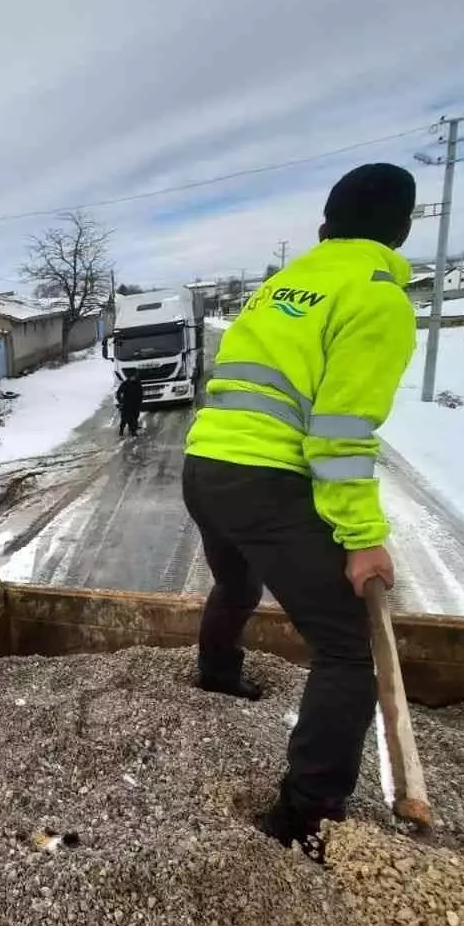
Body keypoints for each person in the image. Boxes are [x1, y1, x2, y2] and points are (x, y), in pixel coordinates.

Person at [182, 163, 419, 858]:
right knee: (348, 648)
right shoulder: (377, 298)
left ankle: (219, 677)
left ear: (325, 226)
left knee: (235, 583)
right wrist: (363, 537)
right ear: (400, 232)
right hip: (263, 481)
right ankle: (306, 814)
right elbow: (340, 436)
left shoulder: (281, 288)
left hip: (203, 467)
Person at [116, 372, 144, 438]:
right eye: (131, 377)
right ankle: (121, 430)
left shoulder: (138, 383)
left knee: (135, 417)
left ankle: (133, 430)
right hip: (127, 404)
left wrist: (140, 401)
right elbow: (118, 393)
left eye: (134, 377)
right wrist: (121, 401)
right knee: (125, 418)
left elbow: (141, 393)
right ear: (129, 377)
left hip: (135, 404)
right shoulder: (125, 383)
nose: (133, 378)